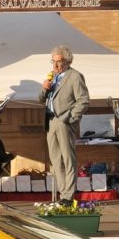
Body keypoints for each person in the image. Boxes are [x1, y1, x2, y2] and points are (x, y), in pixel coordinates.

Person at [38, 45, 90, 205]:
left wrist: (69, 118)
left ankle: (69, 195)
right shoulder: (52, 76)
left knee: (68, 159)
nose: (55, 65)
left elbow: (83, 101)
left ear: (67, 61)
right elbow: (40, 99)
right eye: (53, 61)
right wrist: (44, 88)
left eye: (59, 62)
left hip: (64, 121)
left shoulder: (75, 76)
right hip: (50, 120)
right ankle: (63, 194)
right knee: (55, 160)